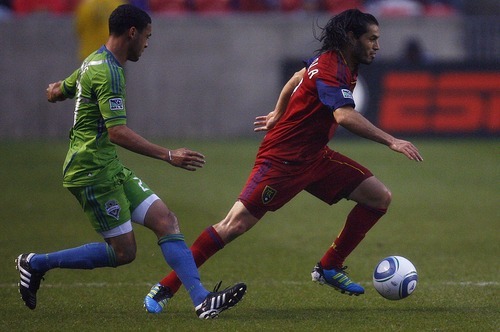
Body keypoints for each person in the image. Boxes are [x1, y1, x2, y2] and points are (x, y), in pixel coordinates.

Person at [143, 8, 423, 314]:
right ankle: (165, 288)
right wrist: (392, 140)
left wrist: (278, 112)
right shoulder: (332, 69)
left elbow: (295, 78)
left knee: (378, 197)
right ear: (352, 38)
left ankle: (329, 266)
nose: (377, 46)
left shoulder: (339, 61)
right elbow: (343, 115)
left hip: (314, 156)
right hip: (282, 161)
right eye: (372, 38)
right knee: (232, 225)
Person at [15, 4, 246, 319]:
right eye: (147, 37)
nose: (148, 44)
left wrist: (55, 91)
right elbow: (117, 133)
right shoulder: (108, 71)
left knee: (166, 220)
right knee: (124, 252)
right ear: (132, 33)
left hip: (108, 166)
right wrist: (168, 154)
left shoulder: (92, 60)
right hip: (90, 171)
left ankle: (202, 300)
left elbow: (64, 88)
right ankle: (35, 263)